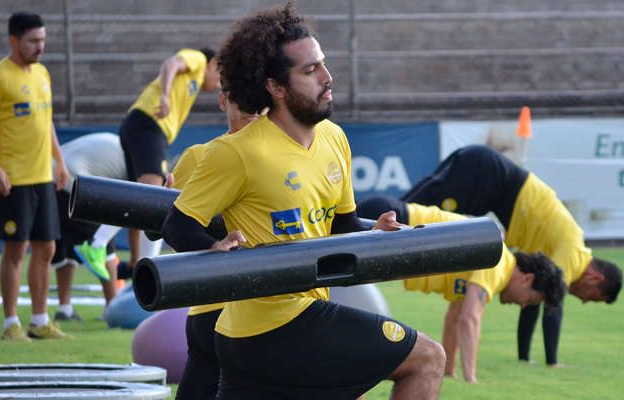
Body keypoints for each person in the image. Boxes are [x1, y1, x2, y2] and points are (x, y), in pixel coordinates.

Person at [162, 4, 446, 399]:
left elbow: (342, 228)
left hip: (256, 338)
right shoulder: (239, 152)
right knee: (428, 358)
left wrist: (374, 234)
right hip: (276, 324)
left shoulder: (335, 138)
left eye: (323, 65)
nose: (327, 79)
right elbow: (177, 223)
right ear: (275, 87)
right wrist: (214, 247)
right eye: (310, 71)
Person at [363, 144, 624, 366]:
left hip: (484, 174)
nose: (585, 301)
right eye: (594, 298)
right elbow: (551, 302)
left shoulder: (561, 255)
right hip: (487, 174)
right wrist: (552, 361)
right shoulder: (574, 251)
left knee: (399, 216)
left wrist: (525, 358)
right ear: (594, 279)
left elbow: (535, 296)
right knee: (396, 223)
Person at [390, 202, 566, 382]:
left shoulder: (497, 264)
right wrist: (471, 379)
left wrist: (449, 373)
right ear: (527, 279)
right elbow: (469, 319)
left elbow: (455, 319)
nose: (522, 305)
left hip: (400, 225)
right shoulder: (498, 261)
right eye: (530, 300)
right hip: (398, 224)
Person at [172, 90, 264, 400]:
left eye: (259, 101)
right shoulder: (200, 155)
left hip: (264, 309)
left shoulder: (284, 154)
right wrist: (214, 247)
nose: (252, 108)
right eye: (243, 100)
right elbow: (167, 230)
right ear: (224, 100)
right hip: (215, 309)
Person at [0, 11, 72, 341]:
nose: (40, 47)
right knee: (15, 250)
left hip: (42, 177)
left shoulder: (42, 73)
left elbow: (46, 120)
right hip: (13, 179)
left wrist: (60, 161)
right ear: (14, 41)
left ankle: (40, 320)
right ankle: (11, 324)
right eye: (33, 41)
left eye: (43, 40)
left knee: (47, 249)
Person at [109, 43, 220, 269]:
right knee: (153, 198)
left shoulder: (194, 81)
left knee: (137, 197)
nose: (218, 85)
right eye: (220, 77)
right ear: (213, 64)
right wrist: (165, 96)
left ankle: (135, 262)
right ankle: (100, 242)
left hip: (136, 124)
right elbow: (170, 64)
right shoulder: (198, 60)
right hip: (150, 124)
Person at [51, 133, 126, 322]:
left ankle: (64, 309)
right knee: (102, 244)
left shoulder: (119, 145)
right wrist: (136, 256)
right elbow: (128, 214)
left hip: (53, 175)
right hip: (72, 179)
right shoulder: (139, 164)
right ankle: (112, 309)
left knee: (66, 247)